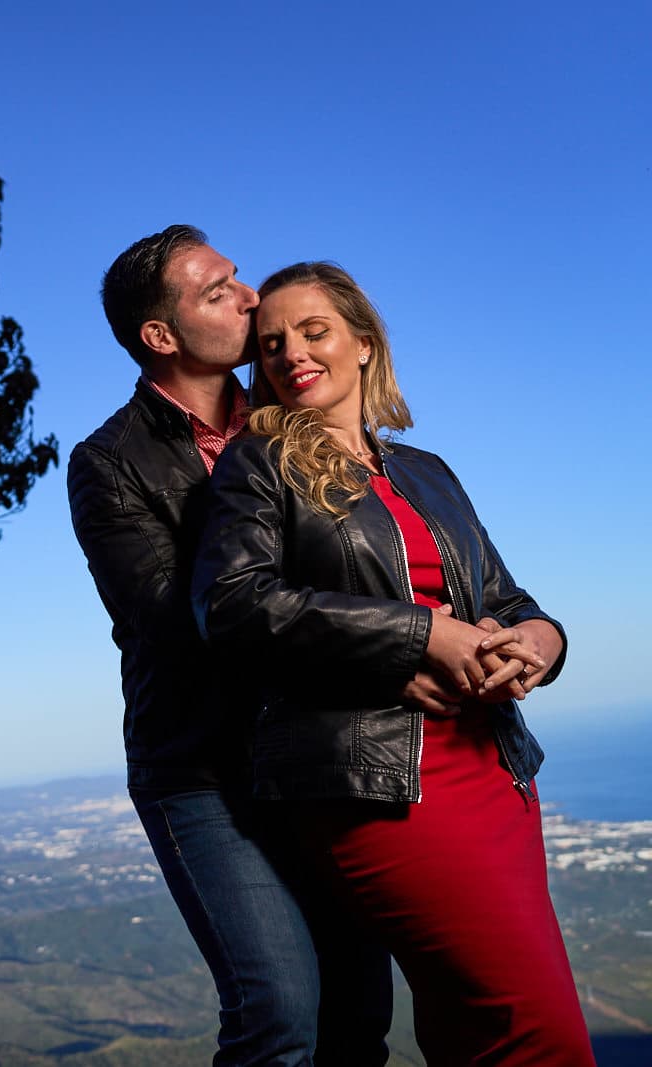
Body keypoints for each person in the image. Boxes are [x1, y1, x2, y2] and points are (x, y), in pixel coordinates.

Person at [191, 261, 594, 1065]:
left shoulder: (427, 471)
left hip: (497, 767)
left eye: (315, 332)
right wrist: (420, 635)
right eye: (271, 345)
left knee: (465, 1023)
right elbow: (231, 604)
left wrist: (541, 646)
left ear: (365, 343)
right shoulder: (259, 464)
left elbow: (510, 599)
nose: (291, 354)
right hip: (381, 782)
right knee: (536, 1027)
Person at [67, 227, 392, 1065]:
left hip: (323, 756)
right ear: (161, 336)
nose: (250, 299)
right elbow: (186, 621)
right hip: (205, 769)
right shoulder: (110, 463)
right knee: (279, 1012)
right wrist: (391, 648)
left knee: (359, 1016)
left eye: (240, 279)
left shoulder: (299, 414)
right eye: (219, 291)